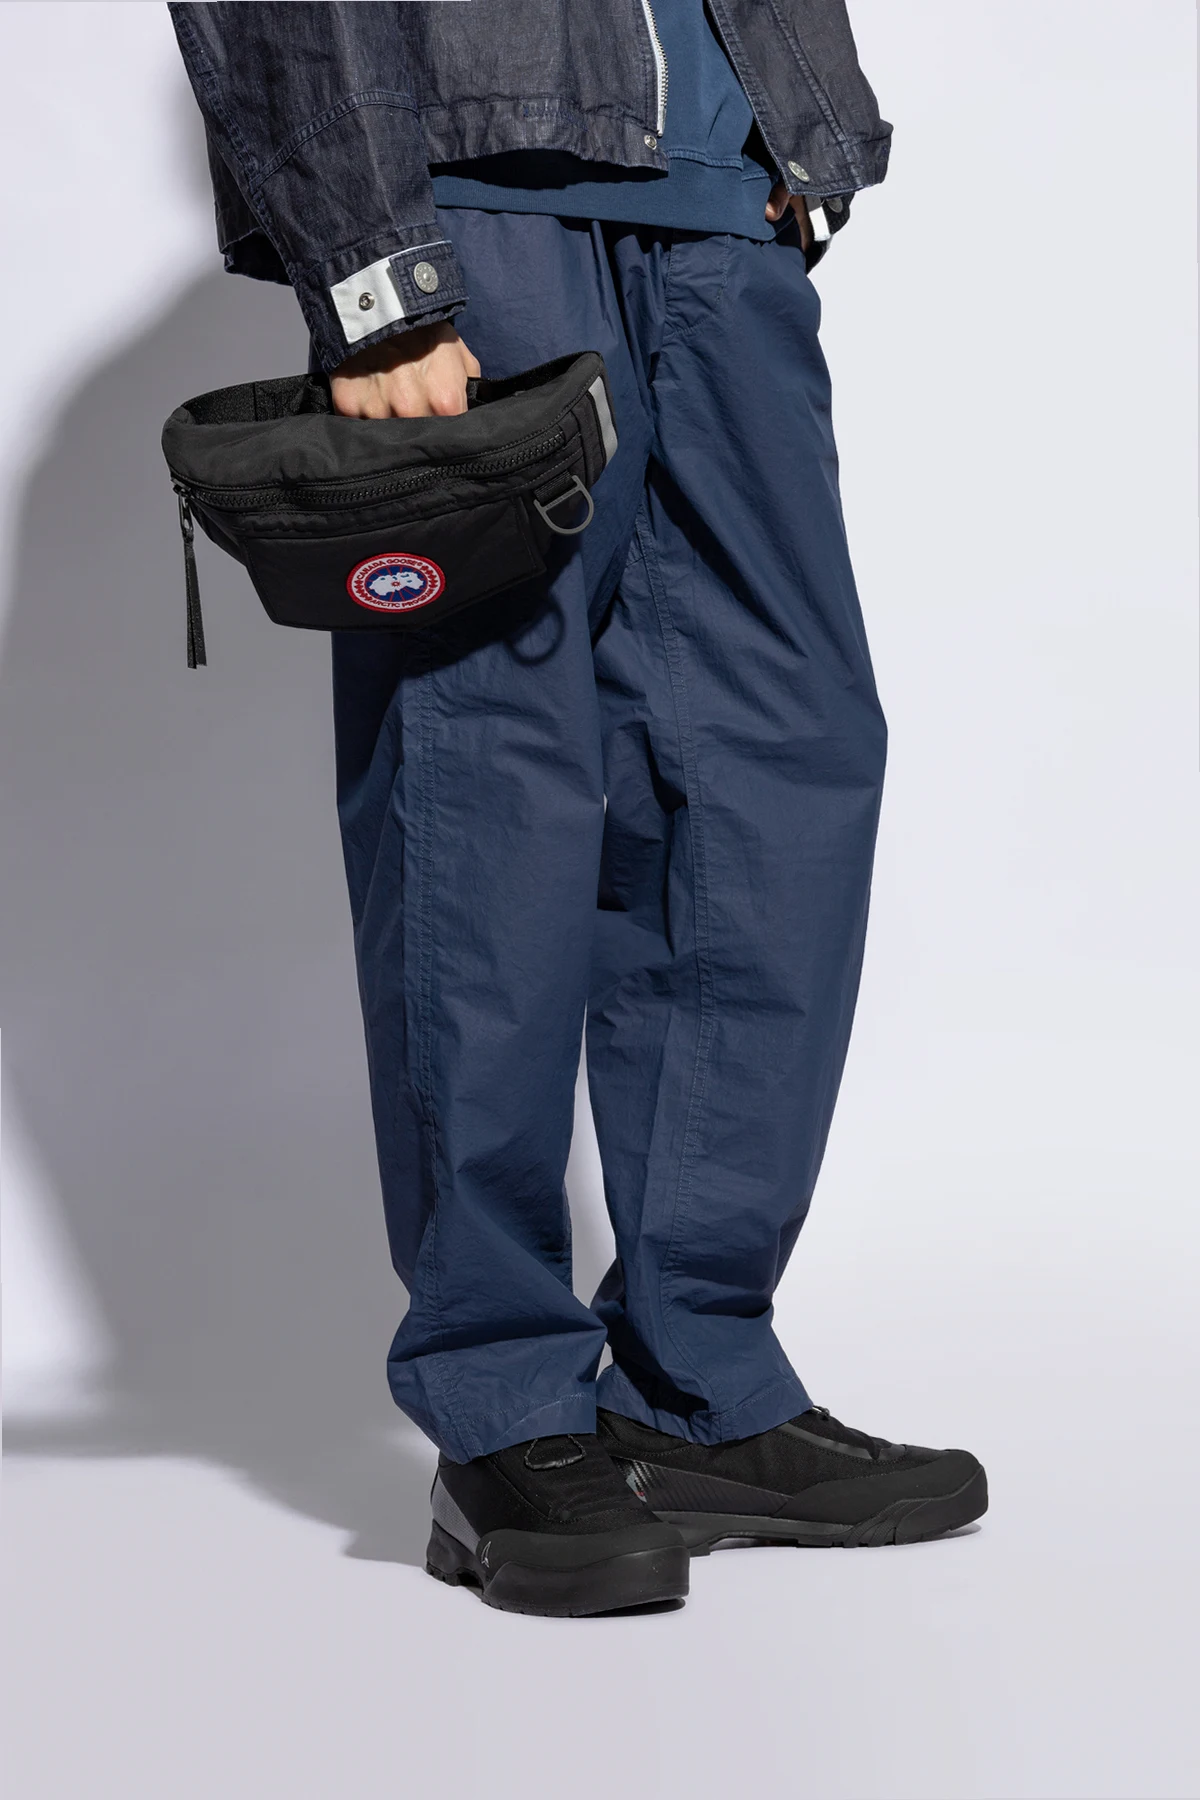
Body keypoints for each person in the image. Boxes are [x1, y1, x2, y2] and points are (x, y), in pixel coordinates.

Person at [170, 0, 986, 1617]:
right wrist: (371, 269)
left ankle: (700, 1384)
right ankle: (502, 1407)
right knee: (486, 787)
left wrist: (797, 121)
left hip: (722, 215)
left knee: (776, 770)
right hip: (477, 216)